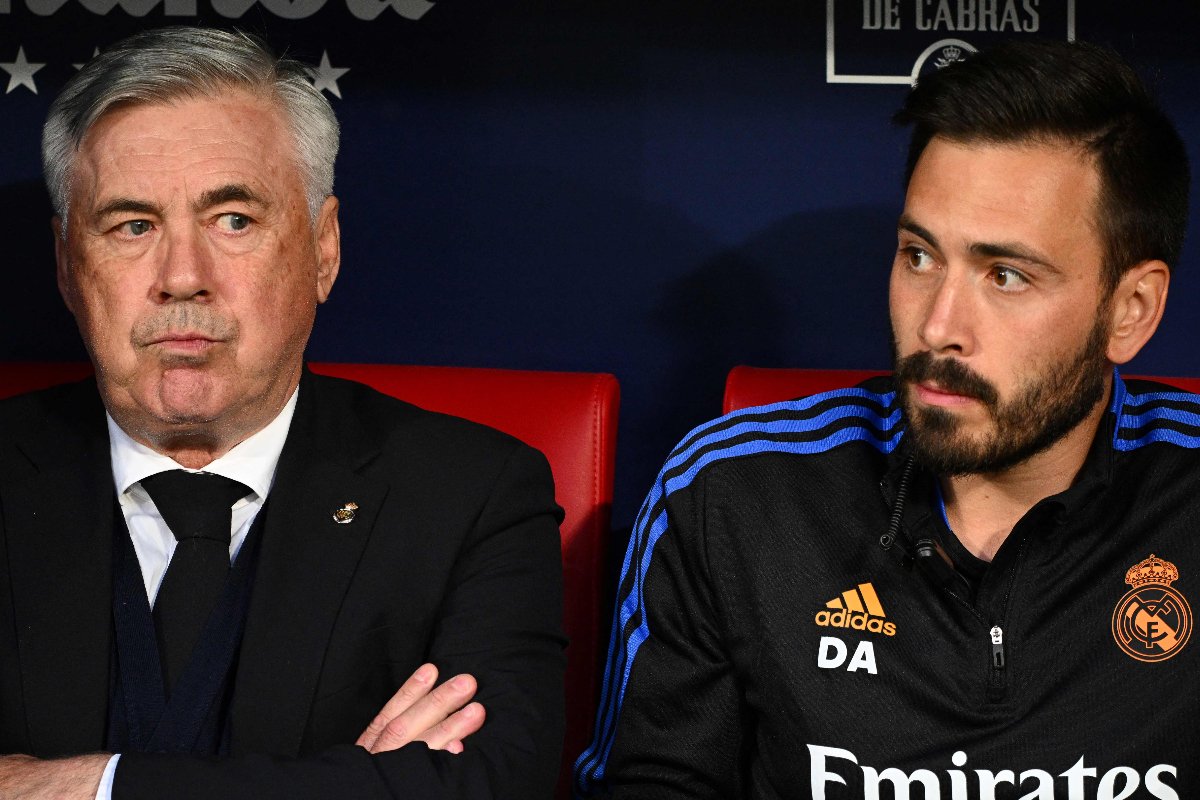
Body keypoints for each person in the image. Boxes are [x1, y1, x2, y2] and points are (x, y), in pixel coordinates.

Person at [575, 39, 1193, 798]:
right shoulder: (731, 496)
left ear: (1130, 312)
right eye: (919, 256)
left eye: (1005, 276)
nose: (938, 327)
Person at [0, 25, 565, 800]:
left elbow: (495, 786)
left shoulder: (471, 495)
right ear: (69, 267)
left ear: (322, 249)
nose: (183, 278)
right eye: (133, 225)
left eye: (233, 219)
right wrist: (360, 785)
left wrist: (87, 787)